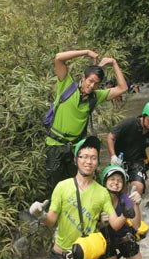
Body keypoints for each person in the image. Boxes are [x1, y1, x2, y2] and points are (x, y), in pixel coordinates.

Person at [24, 136, 125, 259]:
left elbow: (114, 224)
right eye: (84, 156)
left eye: (93, 158)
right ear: (75, 159)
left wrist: (127, 213)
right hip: (63, 250)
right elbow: (50, 222)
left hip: (88, 251)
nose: (88, 161)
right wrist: (39, 214)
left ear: (97, 162)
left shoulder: (102, 192)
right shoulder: (62, 187)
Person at [45, 49, 127, 198]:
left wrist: (114, 63)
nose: (91, 86)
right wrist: (86, 52)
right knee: (55, 188)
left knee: (76, 187)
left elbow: (123, 88)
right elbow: (58, 58)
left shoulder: (96, 97)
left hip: (75, 150)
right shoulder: (67, 85)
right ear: (83, 78)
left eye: (96, 84)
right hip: (55, 145)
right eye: (90, 81)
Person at [99, 165, 146, 259]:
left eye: (119, 180)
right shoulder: (97, 199)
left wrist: (136, 204)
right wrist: (99, 222)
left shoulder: (125, 198)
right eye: (112, 179)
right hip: (106, 240)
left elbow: (136, 225)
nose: (116, 183)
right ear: (104, 182)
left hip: (124, 237)